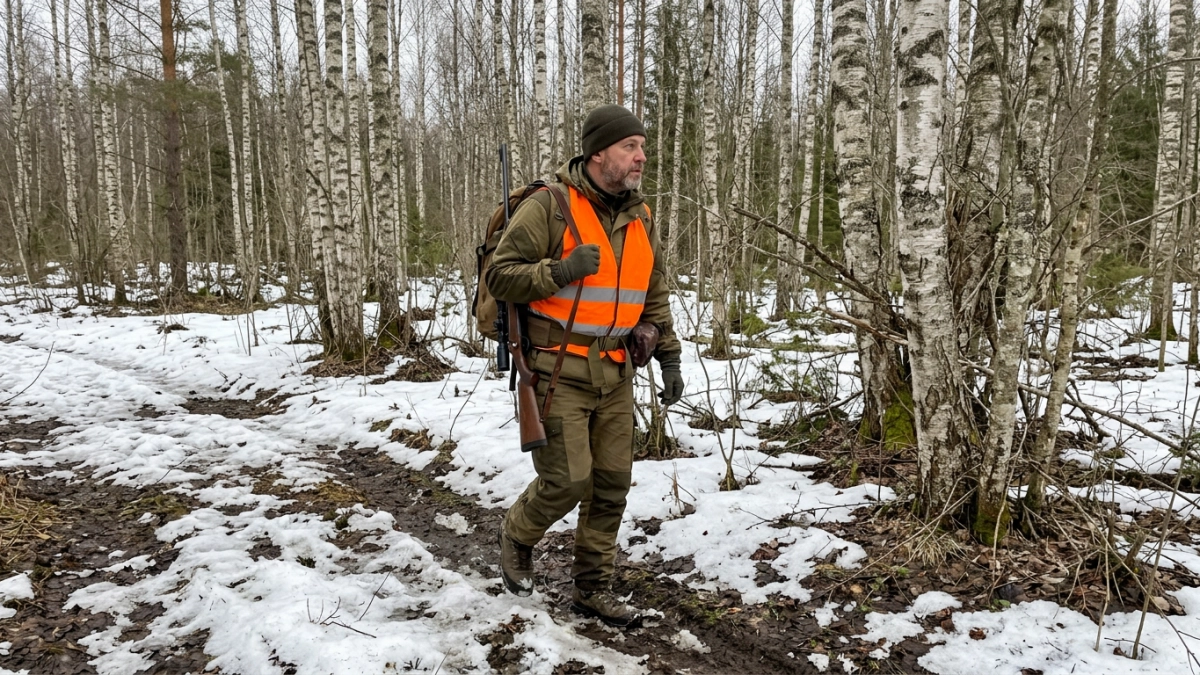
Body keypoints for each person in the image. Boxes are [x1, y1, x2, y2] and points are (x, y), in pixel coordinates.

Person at [487, 104, 684, 627]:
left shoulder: (640, 215)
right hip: (557, 368)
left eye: (642, 147)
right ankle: (517, 534)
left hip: (617, 370)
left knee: (612, 484)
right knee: (568, 480)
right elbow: (501, 277)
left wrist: (669, 356)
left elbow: (653, 291)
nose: (641, 157)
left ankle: (593, 589)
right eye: (630, 147)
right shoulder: (551, 207)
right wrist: (561, 270)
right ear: (599, 152)